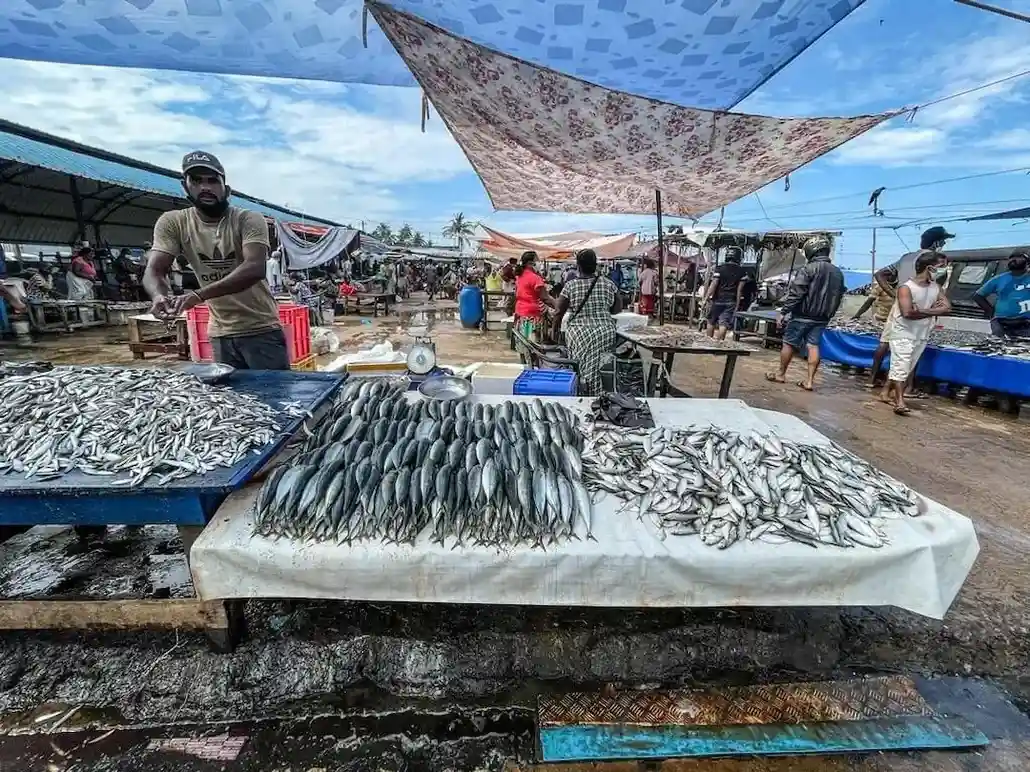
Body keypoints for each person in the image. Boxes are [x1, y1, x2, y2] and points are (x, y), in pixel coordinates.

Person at [144, 150, 289, 370]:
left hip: (261, 328)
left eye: (213, 181)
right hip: (220, 332)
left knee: (274, 395)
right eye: (196, 181)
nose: (205, 187)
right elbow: (155, 269)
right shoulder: (174, 222)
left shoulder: (248, 219)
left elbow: (254, 268)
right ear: (185, 187)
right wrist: (158, 296)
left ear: (226, 189)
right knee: (231, 398)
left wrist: (198, 296)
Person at [765, 236, 846, 391]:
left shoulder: (808, 269)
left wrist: (784, 311)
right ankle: (809, 381)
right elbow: (839, 296)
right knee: (813, 346)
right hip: (822, 318)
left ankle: (781, 374)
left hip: (802, 316)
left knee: (789, 343)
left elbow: (797, 293)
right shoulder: (838, 273)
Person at [882, 251, 952, 415]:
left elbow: (948, 308)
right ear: (929, 267)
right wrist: (934, 310)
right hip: (903, 333)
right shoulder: (906, 288)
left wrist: (921, 310)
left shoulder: (935, 287)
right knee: (902, 365)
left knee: (905, 367)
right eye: (941, 266)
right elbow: (907, 313)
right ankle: (899, 401)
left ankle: (885, 392)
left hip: (921, 333)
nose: (944, 269)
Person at [554, 249, 622, 395]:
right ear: (595, 265)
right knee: (600, 367)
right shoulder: (608, 284)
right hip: (604, 332)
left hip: (578, 333)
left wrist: (555, 333)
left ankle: (581, 392)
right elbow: (617, 309)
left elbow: (558, 312)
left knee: (580, 366)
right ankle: (600, 395)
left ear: (578, 266)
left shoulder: (570, 286)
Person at [973, 250, 1030, 338]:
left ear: (1027, 263)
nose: (1013, 260)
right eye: (1011, 258)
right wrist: (991, 312)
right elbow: (978, 296)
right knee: (999, 346)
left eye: (1019, 257)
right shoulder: (999, 279)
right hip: (1001, 322)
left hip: (1026, 323)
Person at [702, 247, 747, 340]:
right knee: (724, 323)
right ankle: (718, 346)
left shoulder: (719, 268)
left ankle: (707, 344)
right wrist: (737, 305)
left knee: (711, 322)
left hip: (717, 299)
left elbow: (713, 284)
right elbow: (740, 290)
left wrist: (706, 298)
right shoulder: (742, 272)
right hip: (731, 301)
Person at [514, 251, 555, 340]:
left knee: (523, 342)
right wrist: (559, 306)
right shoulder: (535, 278)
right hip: (532, 316)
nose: (539, 263)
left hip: (520, 313)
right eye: (537, 260)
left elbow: (517, 293)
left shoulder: (519, 276)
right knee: (533, 344)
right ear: (530, 263)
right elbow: (545, 298)